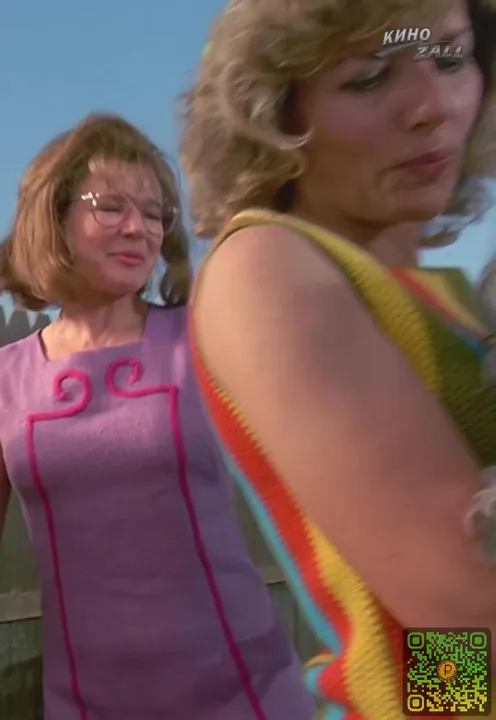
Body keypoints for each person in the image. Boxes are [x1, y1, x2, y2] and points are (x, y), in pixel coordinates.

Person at [0, 114, 313, 718]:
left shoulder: (209, 335)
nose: (138, 228)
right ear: (54, 220)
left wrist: (446, 696)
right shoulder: (3, 379)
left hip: (244, 694)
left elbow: (410, 552)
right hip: (89, 702)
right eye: (111, 207)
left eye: (153, 213)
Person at [181, 0, 496, 715]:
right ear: (277, 112)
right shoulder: (267, 267)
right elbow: (465, 614)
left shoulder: (447, 295)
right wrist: (453, 705)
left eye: (451, 58)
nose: (432, 107)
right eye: (369, 77)